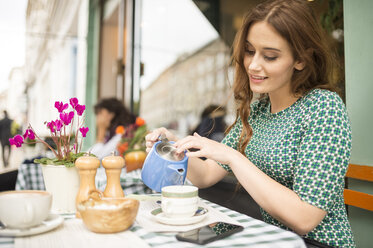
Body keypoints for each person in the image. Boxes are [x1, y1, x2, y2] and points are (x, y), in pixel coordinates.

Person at [145, 0, 355, 247]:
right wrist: (174, 145)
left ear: (301, 60)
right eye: (249, 50)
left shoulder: (323, 107)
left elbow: (305, 218)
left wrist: (233, 157)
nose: (253, 65)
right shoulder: (258, 110)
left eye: (270, 56)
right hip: (276, 240)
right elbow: (206, 175)